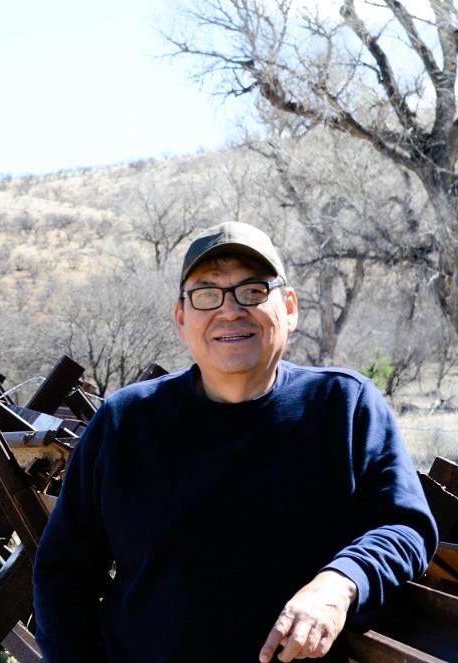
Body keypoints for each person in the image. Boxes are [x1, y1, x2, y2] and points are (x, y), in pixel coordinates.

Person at [32, 221, 438, 662]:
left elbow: (405, 527)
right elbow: (64, 570)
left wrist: (339, 584)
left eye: (252, 290)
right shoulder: (125, 421)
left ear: (290, 307)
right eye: (207, 294)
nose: (229, 311)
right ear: (181, 318)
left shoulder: (344, 405)